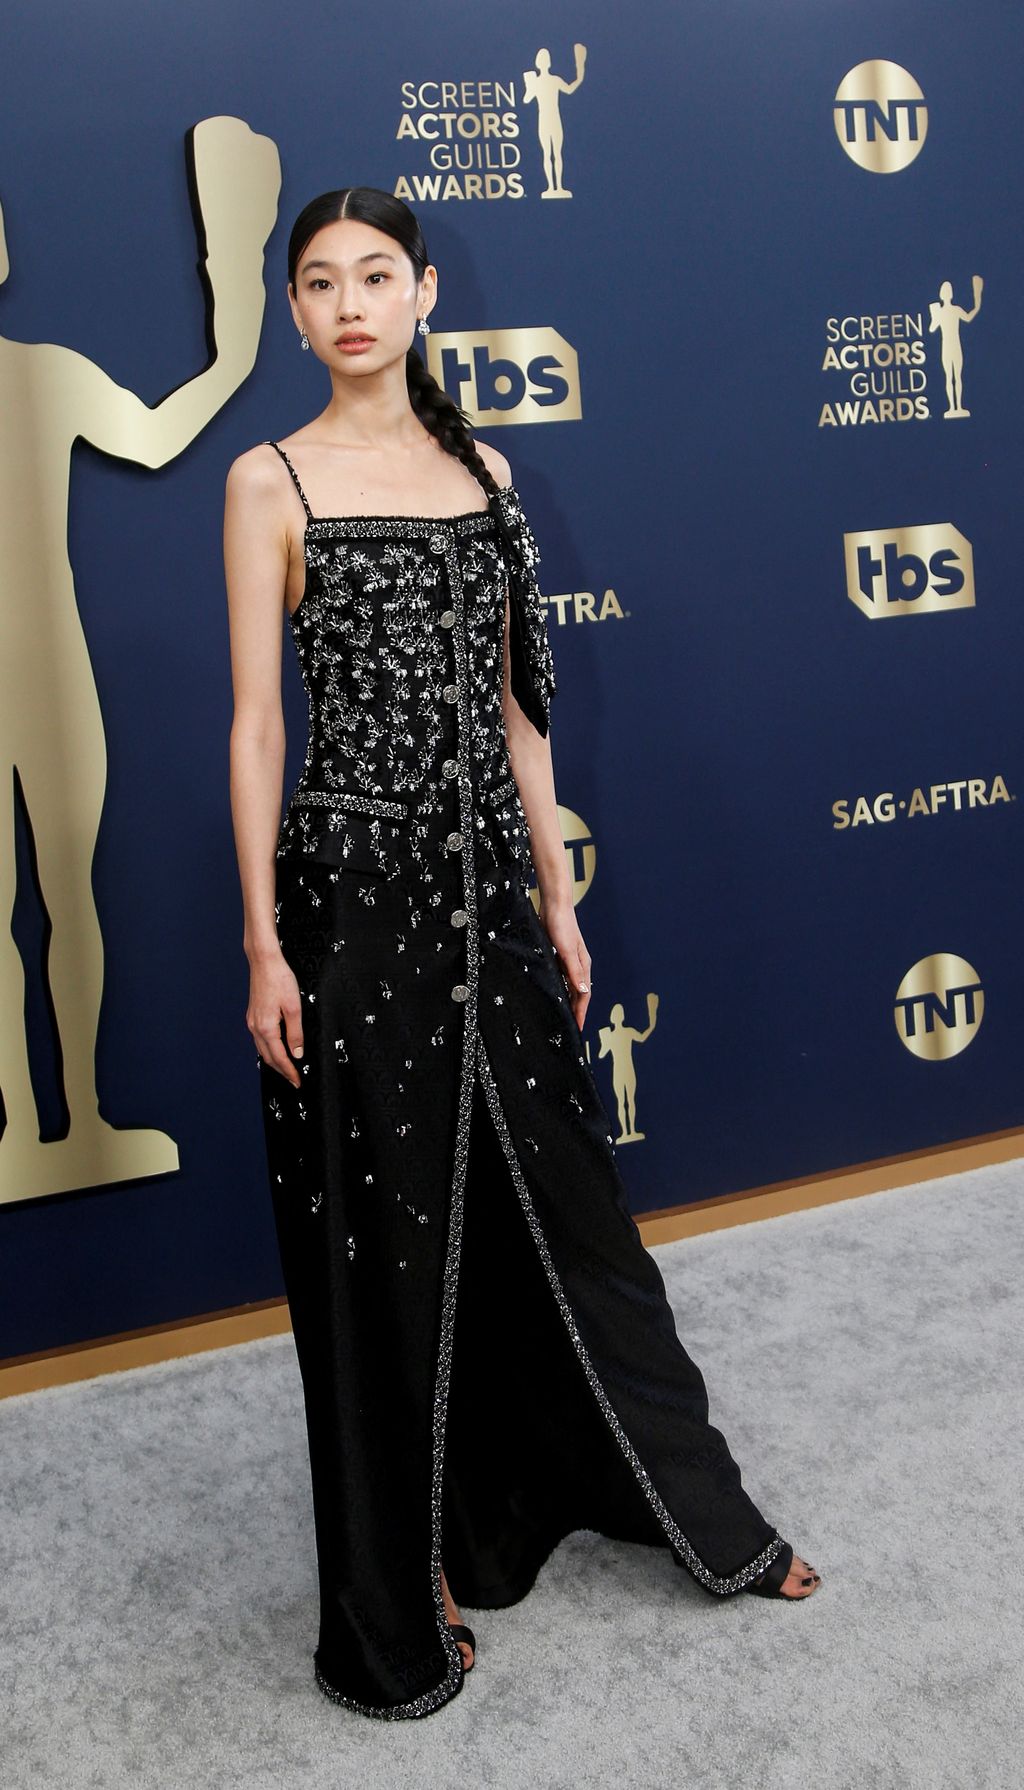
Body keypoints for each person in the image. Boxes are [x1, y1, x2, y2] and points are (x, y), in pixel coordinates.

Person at [223, 186, 821, 1723]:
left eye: (375, 275)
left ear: (424, 293)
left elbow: (518, 717)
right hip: (349, 906)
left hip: (493, 893)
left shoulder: (489, 473)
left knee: (570, 1216)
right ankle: (395, 1588)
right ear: (292, 313)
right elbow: (256, 727)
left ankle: (695, 1508)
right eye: (317, 281)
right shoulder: (268, 479)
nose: (349, 302)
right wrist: (261, 947)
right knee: (384, 1246)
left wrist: (557, 901)